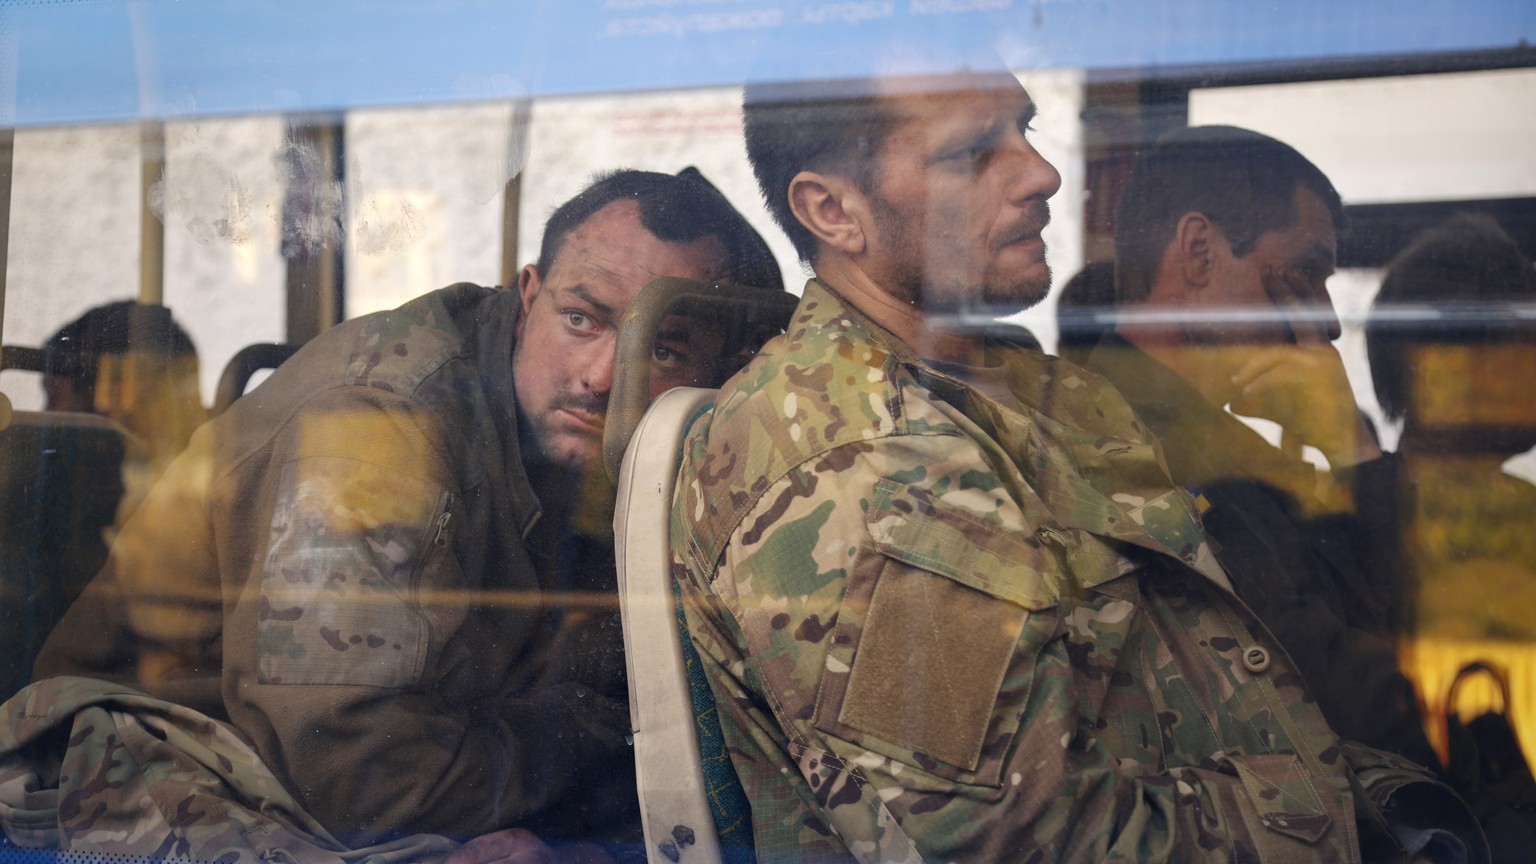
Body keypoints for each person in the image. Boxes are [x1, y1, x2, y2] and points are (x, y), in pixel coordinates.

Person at [671, 71, 1484, 861]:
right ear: (834, 211)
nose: (1042, 172)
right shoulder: (860, 464)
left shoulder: (1040, 393)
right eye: (972, 154)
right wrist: (1344, 818)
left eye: (1023, 128)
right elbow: (1023, 841)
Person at [4, 168, 784, 861]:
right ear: (528, 295)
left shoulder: (611, 441)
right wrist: (600, 746)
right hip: (157, 758)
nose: (601, 376)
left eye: (664, 349)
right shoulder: (377, 431)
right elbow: (351, 769)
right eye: (581, 318)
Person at [1073, 126, 1435, 767]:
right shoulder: (1144, 454)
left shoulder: (1209, 444)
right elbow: (1378, 704)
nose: (1325, 320)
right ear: (1200, 251)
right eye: (1302, 273)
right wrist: (1352, 449)